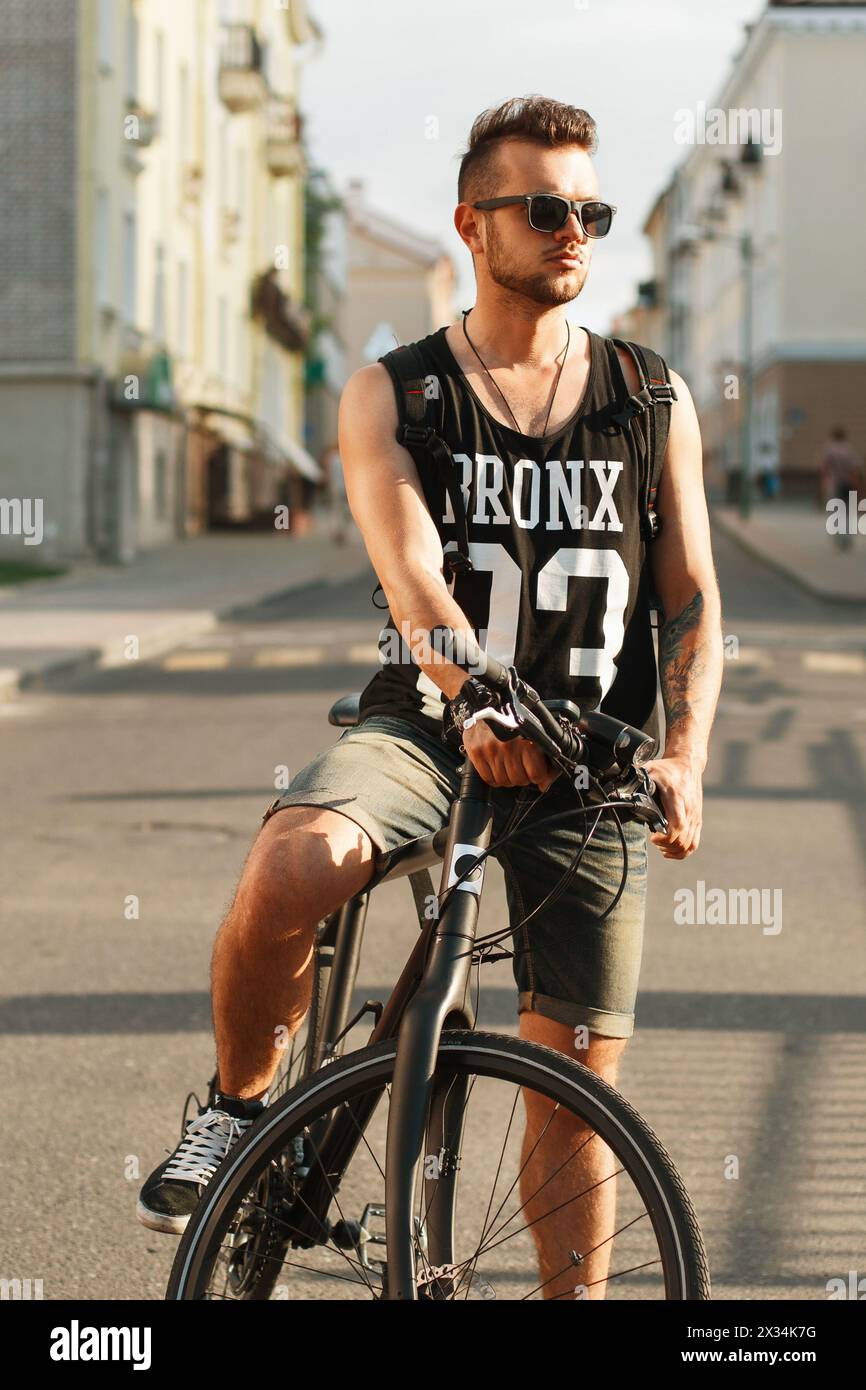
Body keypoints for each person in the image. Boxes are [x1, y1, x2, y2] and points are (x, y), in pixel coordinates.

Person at [138, 96, 723, 1298]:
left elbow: (694, 603)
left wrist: (686, 753)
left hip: (592, 760)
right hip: (429, 725)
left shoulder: (648, 398)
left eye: (591, 211)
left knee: (575, 1095)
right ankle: (241, 1104)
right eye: (545, 208)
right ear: (472, 222)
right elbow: (411, 581)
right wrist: (471, 699)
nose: (574, 230)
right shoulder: (394, 392)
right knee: (290, 866)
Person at [819, 426, 862, 550]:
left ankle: (839, 536)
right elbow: (855, 468)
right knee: (849, 510)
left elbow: (824, 467)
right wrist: (857, 483)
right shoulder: (849, 449)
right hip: (849, 482)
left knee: (837, 510)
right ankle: (847, 537)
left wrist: (824, 482)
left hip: (835, 483)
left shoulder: (829, 449)